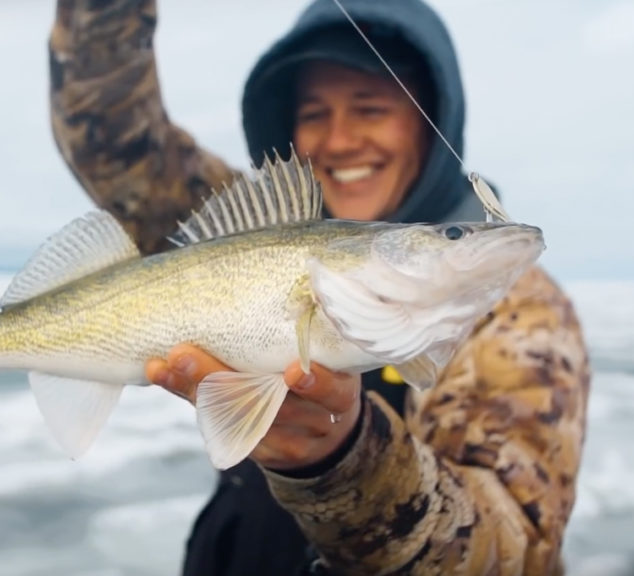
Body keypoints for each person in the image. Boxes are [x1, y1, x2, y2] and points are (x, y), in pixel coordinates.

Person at [48, 0, 591, 574]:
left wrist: (342, 458)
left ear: (431, 121)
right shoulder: (241, 237)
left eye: (370, 108)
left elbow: (509, 552)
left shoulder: (513, 310)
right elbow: (111, 135)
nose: (339, 140)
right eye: (313, 113)